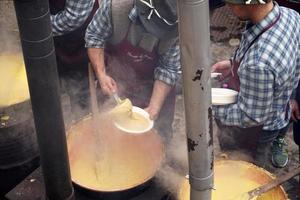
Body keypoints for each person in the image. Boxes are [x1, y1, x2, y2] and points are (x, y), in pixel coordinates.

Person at [211, 0, 300, 169]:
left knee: (250, 167)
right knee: (277, 132)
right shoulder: (291, 15)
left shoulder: (258, 63)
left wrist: (208, 107)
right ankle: (277, 142)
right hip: (282, 110)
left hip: (259, 131)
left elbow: (251, 117)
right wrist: (234, 63)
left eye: (229, 4)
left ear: (249, 4)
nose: (228, 9)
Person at [85, 0, 180, 141]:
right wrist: (101, 74)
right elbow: (94, 36)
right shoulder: (116, 9)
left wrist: (154, 108)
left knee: (159, 138)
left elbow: (168, 68)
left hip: (153, 86)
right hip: (116, 82)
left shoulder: (178, 27)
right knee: (108, 135)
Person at [50, 0, 98, 121]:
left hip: (78, 40)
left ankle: (83, 124)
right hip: (53, 35)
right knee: (51, 85)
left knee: (81, 92)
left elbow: (73, 18)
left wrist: (34, 27)